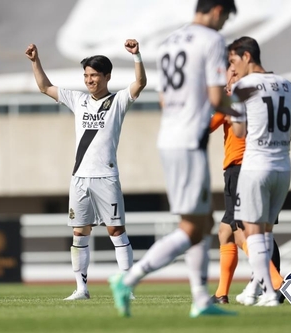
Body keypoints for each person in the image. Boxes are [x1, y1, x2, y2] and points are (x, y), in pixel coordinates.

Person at [109, 0, 239, 318]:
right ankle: (128, 278)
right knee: (193, 227)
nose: (222, 27)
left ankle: (200, 299)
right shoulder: (210, 40)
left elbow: (165, 100)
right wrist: (243, 112)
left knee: (203, 221)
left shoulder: (170, 43)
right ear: (218, 10)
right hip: (188, 141)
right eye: (225, 21)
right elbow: (216, 97)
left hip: (170, 136)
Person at [25, 39, 147, 300]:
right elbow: (45, 87)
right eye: (86, 75)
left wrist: (137, 56)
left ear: (107, 76)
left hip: (106, 177)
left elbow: (140, 84)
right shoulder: (77, 99)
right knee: (79, 232)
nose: (89, 80)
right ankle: (81, 289)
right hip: (79, 179)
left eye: (94, 75)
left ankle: (126, 286)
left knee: (116, 230)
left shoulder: (118, 102)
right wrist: (35, 61)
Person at [228, 36, 291, 306]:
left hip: (256, 166)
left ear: (246, 56)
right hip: (283, 166)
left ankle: (269, 293)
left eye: (234, 61)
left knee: (251, 233)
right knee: (265, 234)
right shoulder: (288, 85)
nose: (233, 68)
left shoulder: (244, 86)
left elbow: (239, 131)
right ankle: (254, 290)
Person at [210, 67, 284, 304]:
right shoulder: (261, 101)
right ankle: (221, 293)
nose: (228, 79)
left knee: (241, 233)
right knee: (227, 231)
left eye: (233, 73)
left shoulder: (233, 102)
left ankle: (278, 282)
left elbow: (206, 125)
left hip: (240, 169)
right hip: (266, 167)